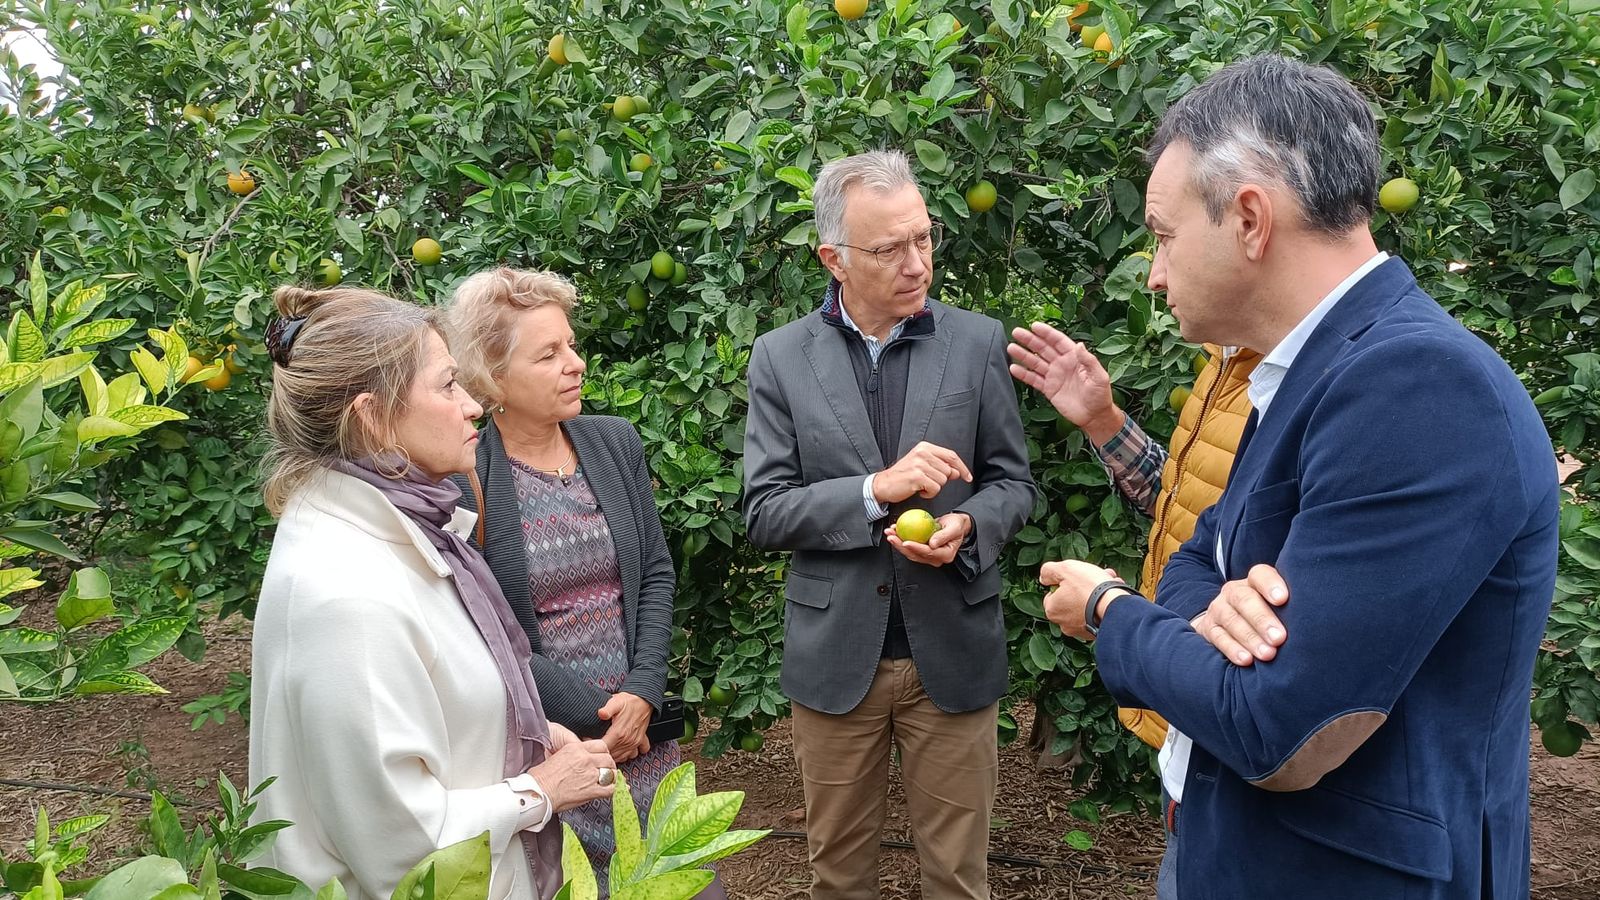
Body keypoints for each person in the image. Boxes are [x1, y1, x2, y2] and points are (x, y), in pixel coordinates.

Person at [1036, 55, 1560, 899]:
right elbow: (1197, 556)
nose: (1156, 272)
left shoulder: (1419, 387)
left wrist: (1110, 610)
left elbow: (1272, 725)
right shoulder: (1305, 372)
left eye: (1164, 236)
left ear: (1249, 218)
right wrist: (1213, 603)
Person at [249, 285, 619, 900]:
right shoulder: (348, 593)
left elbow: (430, 714)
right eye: (448, 385)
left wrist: (524, 729)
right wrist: (542, 789)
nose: (473, 406)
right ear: (371, 415)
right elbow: (400, 847)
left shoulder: (395, 534)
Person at [742, 149, 1036, 899]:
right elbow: (765, 509)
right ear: (833, 259)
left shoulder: (974, 343)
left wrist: (969, 528)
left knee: (958, 879)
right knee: (838, 878)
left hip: (953, 653)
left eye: (924, 238)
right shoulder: (780, 358)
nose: (916, 262)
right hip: (838, 661)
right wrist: (875, 490)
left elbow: (1012, 482)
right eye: (889, 248)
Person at [443, 268, 721, 899]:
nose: (575, 363)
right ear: (493, 379)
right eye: (549, 354)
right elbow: (485, 630)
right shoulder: (467, 480)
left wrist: (644, 691)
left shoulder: (613, 443)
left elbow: (653, 572)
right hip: (555, 745)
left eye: (570, 344)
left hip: (643, 732)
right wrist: (597, 721)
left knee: (678, 877)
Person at [1008, 325, 1260, 751]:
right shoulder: (1223, 362)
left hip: (1222, 696)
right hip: (1182, 680)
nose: (1156, 278)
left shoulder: (1290, 378)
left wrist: (1106, 605)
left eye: (1167, 252)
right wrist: (1103, 421)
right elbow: (1186, 499)